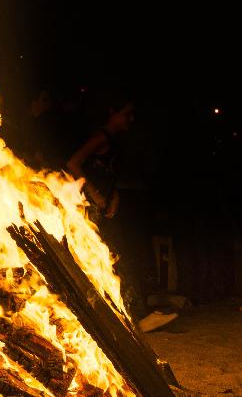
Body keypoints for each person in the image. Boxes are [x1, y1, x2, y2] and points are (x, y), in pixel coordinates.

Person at [67, 91, 176, 333]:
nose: (131, 119)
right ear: (112, 113)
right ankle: (135, 317)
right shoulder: (101, 136)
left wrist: (113, 196)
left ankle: (131, 315)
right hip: (90, 207)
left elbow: (110, 174)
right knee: (116, 258)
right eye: (126, 114)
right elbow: (73, 163)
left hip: (104, 207)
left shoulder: (116, 139)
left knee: (118, 258)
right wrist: (95, 195)